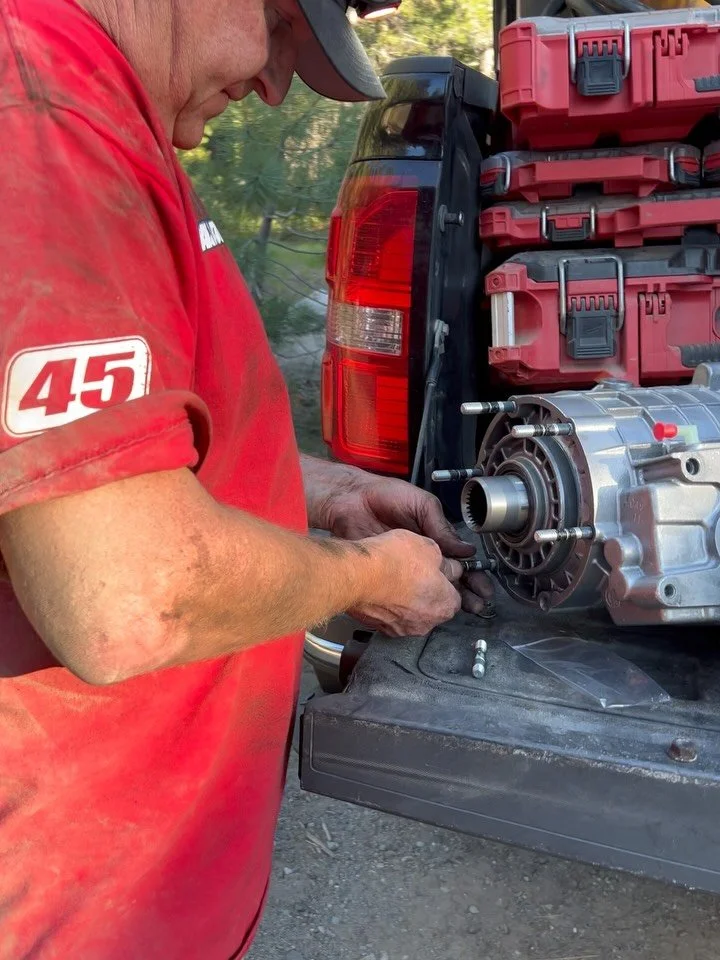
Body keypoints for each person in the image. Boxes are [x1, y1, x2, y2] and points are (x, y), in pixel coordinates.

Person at [0, 0, 494, 957]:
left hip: (140, 887)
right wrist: (366, 578)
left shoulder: (107, 114)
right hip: (69, 906)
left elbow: (144, 438)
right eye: (277, 27)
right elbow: (130, 595)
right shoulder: (43, 115)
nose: (275, 83)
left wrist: (324, 491)